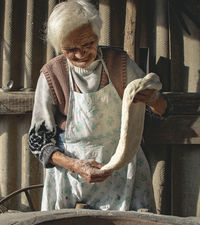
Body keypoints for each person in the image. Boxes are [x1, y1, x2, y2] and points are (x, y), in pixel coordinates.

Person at [28, 0, 168, 212]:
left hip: (122, 167)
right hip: (71, 175)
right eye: (71, 49)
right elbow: (38, 141)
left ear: (97, 34)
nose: (81, 54)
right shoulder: (52, 74)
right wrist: (75, 165)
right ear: (60, 47)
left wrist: (152, 99)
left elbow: (163, 109)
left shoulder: (119, 63)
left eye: (88, 44)